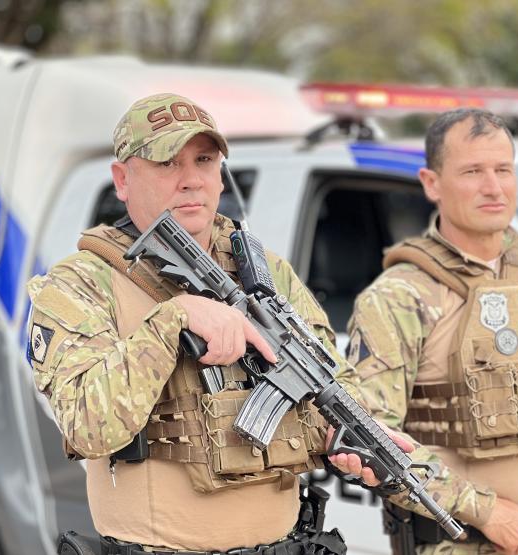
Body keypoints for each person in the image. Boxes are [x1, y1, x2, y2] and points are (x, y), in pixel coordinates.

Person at [26, 93, 352, 555]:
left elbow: (331, 379)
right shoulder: (82, 282)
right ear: (122, 180)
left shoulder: (265, 272)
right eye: (167, 163)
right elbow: (87, 426)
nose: (190, 181)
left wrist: (348, 438)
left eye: (204, 160)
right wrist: (173, 319)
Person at [332, 108, 518, 555]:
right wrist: (483, 510)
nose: (493, 187)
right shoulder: (399, 297)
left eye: (503, 169)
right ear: (431, 183)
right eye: (472, 171)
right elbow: (369, 436)